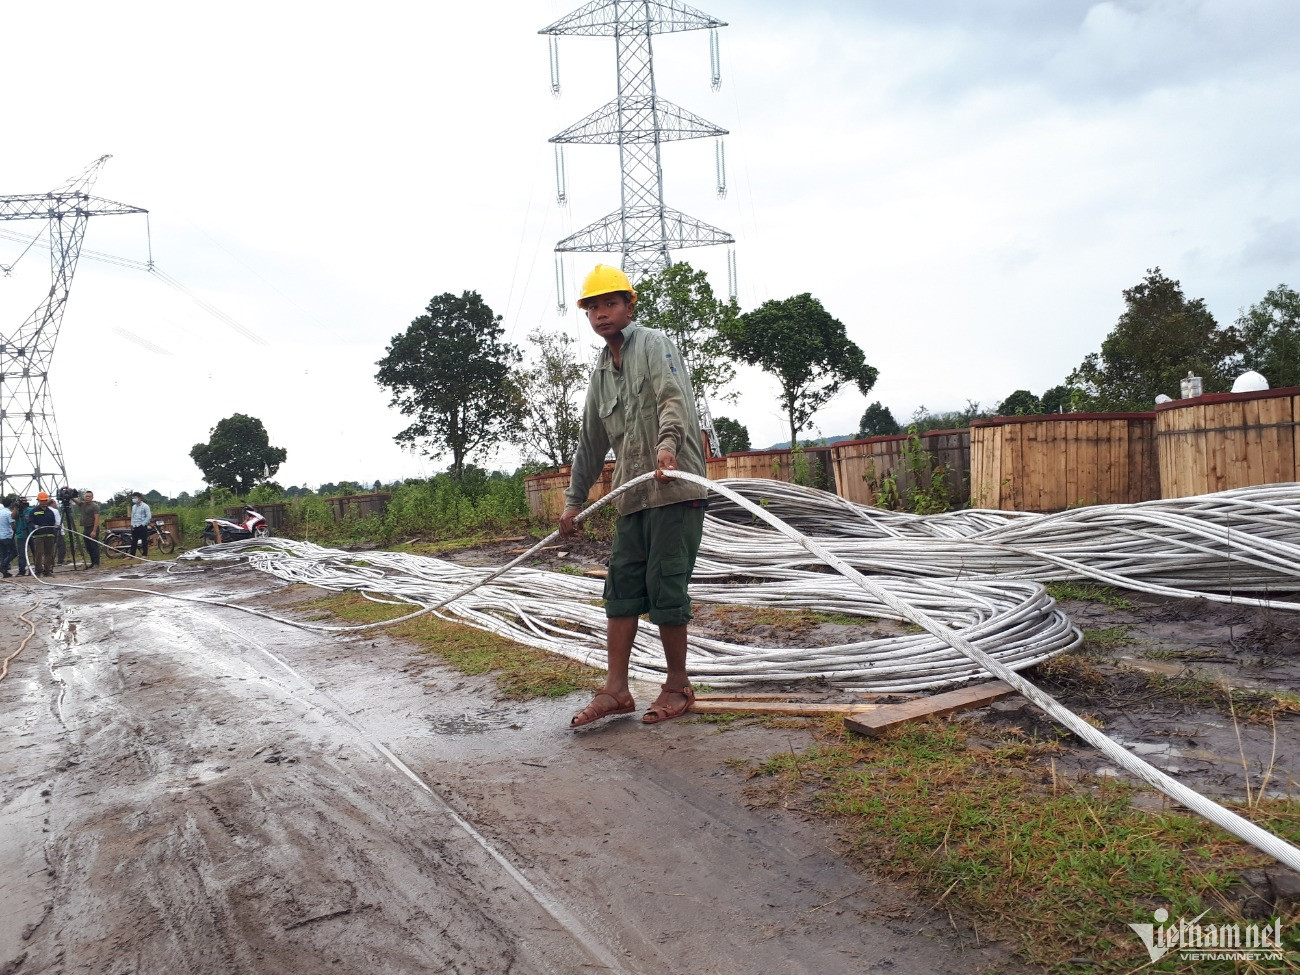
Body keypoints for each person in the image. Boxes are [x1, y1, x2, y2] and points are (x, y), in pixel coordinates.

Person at [559, 264, 710, 728]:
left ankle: (678, 684)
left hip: (674, 488)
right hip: (633, 495)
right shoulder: (602, 371)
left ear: (629, 305)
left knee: (666, 584)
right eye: (593, 307)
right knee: (621, 587)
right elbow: (590, 440)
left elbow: (673, 399)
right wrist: (573, 499)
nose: (602, 314)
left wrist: (667, 447)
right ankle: (617, 689)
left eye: (610, 303)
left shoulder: (655, 345)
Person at [27, 492, 59, 578]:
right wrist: (35, 526)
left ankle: (47, 571)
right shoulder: (34, 511)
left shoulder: (50, 512)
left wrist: (56, 527)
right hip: (38, 536)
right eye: (42, 500)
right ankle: (38, 571)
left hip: (49, 535)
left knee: (49, 553)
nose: (43, 502)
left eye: (45, 500)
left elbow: (53, 522)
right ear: (38, 500)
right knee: (39, 553)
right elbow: (30, 522)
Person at [73, 490, 102, 568]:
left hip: (92, 527)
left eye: (89, 496)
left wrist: (94, 531)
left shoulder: (95, 506)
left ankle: (96, 563)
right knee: (88, 546)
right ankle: (92, 562)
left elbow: (97, 519)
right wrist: (69, 493)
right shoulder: (82, 504)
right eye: (86, 496)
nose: (87, 498)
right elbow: (76, 500)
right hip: (86, 528)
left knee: (94, 546)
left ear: (92, 497)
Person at [129, 491, 152, 557]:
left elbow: (148, 516)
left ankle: (144, 554)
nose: (133, 499)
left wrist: (143, 524)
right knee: (134, 541)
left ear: (139, 498)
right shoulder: (133, 507)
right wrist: (132, 524)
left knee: (144, 540)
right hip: (135, 525)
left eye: (135, 498)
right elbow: (132, 516)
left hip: (142, 525)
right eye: (132, 498)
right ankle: (132, 555)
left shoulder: (145, 506)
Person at [0, 501, 14, 578]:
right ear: (11, 504)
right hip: (7, 536)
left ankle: (4, 572)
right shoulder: (8, 513)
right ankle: (3, 565)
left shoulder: (0, 512)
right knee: (13, 552)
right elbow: (13, 525)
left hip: (0, 536)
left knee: (3, 554)